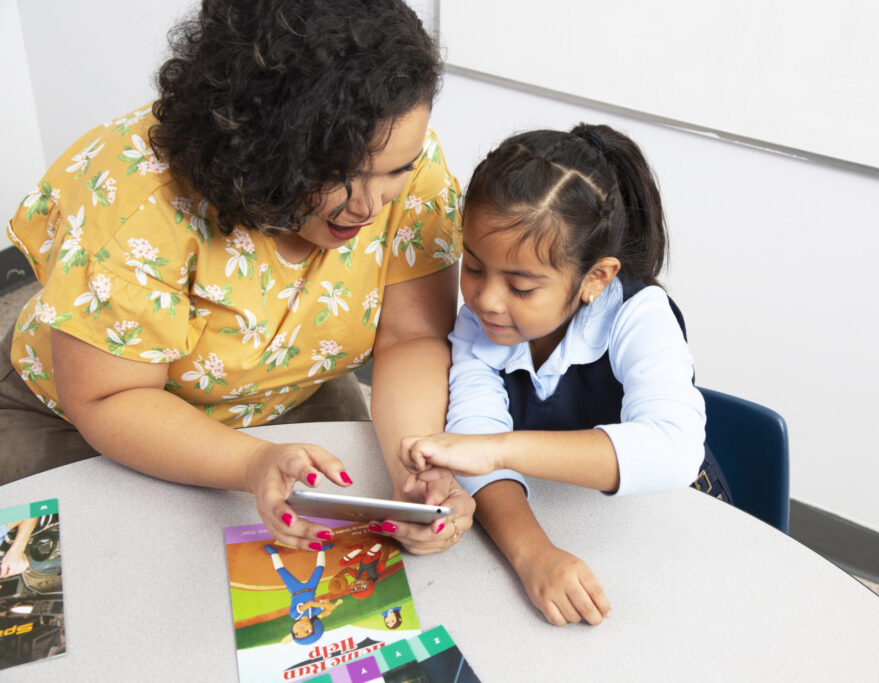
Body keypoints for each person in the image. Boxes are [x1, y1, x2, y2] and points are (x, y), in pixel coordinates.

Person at [2, 0, 473, 554]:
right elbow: (110, 397)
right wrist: (249, 461)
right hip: (88, 410)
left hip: (290, 391)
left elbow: (411, 337)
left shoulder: (412, 168)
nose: (368, 206)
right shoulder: (135, 200)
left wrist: (411, 466)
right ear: (256, 145)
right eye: (336, 175)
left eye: (394, 170)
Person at [398, 124, 732, 626]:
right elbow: (475, 445)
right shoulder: (478, 323)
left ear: (595, 279)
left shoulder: (639, 316)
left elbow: (672, 449)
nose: (486, 299)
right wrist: (533, 555)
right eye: (472, 266)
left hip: (670, 523)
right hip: (565, 518)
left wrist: (497, 447)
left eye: (522, 287)